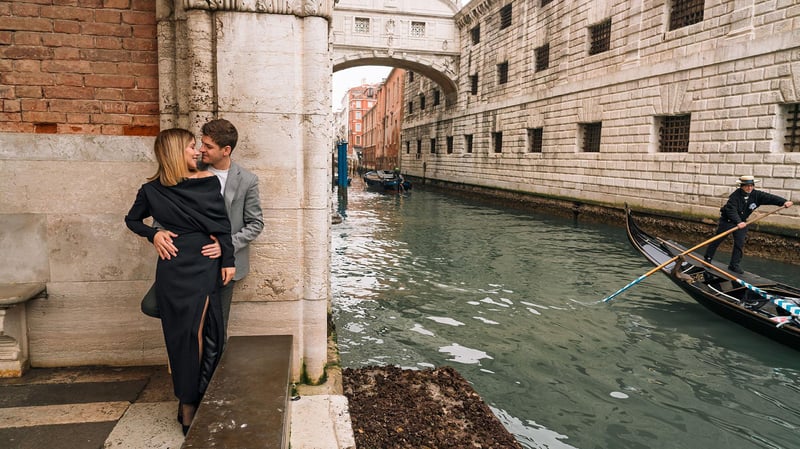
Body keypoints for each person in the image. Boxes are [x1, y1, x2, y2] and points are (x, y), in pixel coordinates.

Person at [125, 128, 235, 435]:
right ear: (175, 152)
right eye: (190, 147)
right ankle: (188, 403)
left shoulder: (209, 182)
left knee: (200, 333)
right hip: (173, 267)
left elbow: (221, 225)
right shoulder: (151, 191)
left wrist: (228, 259)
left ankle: (197, 399)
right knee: (180, 337)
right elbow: (132, 220)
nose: (197, 151)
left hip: (204, 263)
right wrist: (154, 234)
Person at [146, 119, 264, 339]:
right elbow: (165, 209)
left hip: (224, 267)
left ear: (226, 150)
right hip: (187, 263)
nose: (201, 150)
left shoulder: (247, 180)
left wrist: (225, 245)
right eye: (201, 144)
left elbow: (255, 223)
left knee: (217, 329)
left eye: (208, 146)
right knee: (156, 307)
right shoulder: (186, 170)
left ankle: (207, 371)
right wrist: (157, 232)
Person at [704, 175, 792, 274]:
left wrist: (784, 202)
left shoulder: (756, 195)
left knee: (739, 244)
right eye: (747, 186)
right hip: (728, 221)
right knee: (717, 240)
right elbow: (731, 210)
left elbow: (770, 198)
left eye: (751, 185)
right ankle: (707, 258)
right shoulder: (735, 196)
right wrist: (738, 222)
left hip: (742, 222)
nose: (749, 188)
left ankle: (734, 265)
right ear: (741, 186)